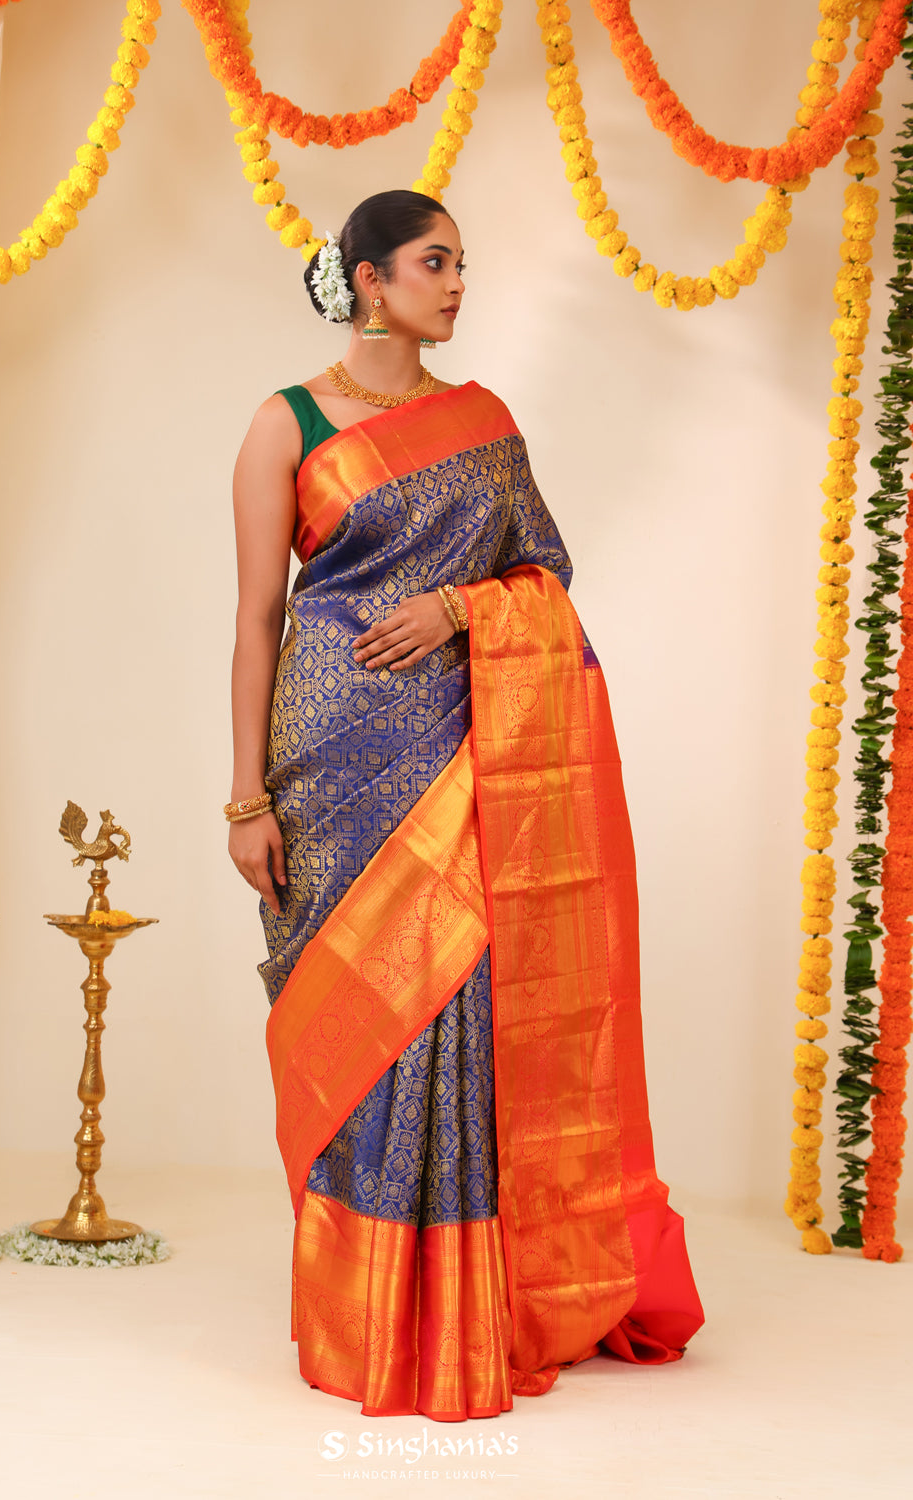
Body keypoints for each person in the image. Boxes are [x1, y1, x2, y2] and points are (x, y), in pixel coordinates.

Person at [228, 189, 704, 1421]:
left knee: (454, 1001)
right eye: (434, 263)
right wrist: (243, 798)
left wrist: (456, 608)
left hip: (462, 743)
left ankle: (458, 1305)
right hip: (327, 762)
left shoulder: (484, 423)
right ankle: (363, 1308)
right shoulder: (285, 424)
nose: (454, 284)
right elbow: (258, 619)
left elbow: (541, 575)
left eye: (460, 265)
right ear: (369, 279)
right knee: (351, 1017)